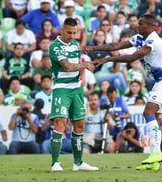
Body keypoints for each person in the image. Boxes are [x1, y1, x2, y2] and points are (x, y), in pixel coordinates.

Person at [83, 14, 162, 171]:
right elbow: (116, 46)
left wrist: (108, 60)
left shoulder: (153, 41)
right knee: (156, 117)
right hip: (160, 81)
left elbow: (132, 57)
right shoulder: (139, 37)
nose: (137, 26)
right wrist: (93, 48)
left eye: (141, 24)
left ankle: (156, 154)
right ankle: (155, 159)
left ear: (150, 26)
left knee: (148, 112)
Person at [49, 17, 98, 172]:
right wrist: (86, 65)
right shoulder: (55, 47)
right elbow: (68, 66)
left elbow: (78, 61)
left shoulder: (76, 44)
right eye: (69, 32)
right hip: (62, 89)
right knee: (60, 122)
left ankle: (78, 162)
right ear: (62, 30)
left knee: (79, 124)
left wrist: (83, 74)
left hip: (76, 89)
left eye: (74, 33)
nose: (71, 36)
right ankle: (55, 163)